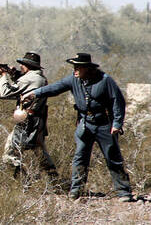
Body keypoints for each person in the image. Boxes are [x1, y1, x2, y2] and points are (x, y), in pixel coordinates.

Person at [27, 53, 133, 201]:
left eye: (78, 67)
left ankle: (124, 192)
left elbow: (118, 101)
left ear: (87, 68)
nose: (75, 70)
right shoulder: (73, 79)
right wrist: (35, 93)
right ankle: (76, 191)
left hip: (104, 125)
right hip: (85, 124)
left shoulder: (105, 80)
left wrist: (116, 124)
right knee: (80, 157)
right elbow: (56, 87)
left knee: (112, 158)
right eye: (74, 67)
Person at [0, 52, 57, 178]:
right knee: (40, 151)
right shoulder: (40, 78)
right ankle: (54, 178)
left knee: (11, 150)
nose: (20, 66)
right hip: (38, 120)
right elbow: (25, 87)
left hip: (28, 121)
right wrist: (13, 75)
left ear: (28, 66)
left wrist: (3, 76)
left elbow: (6, 92)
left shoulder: (29, 78)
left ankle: (21, 177)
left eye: (23, 64)